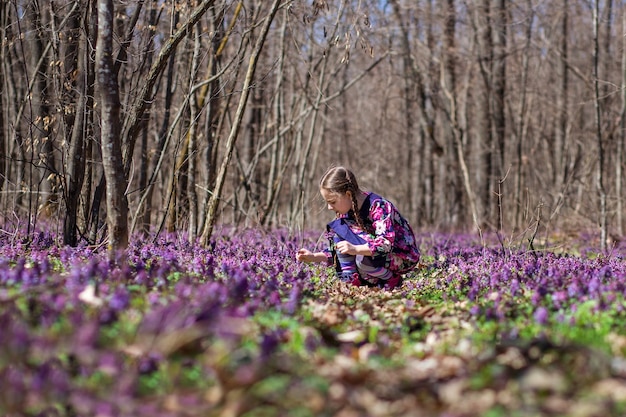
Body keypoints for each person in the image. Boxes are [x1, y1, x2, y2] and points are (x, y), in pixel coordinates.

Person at [296, 166, 420, 290]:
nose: (329, 207)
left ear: (348, 194)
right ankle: (350, 279)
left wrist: (356, 249)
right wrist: (314, 257)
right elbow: (339, 250)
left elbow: (385, 244)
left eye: (332, 202)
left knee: (362, 260)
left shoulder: (378, 206)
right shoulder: (347, 210)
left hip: (401, 256)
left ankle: (392, 279)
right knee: (340, 230)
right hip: (374, 255)